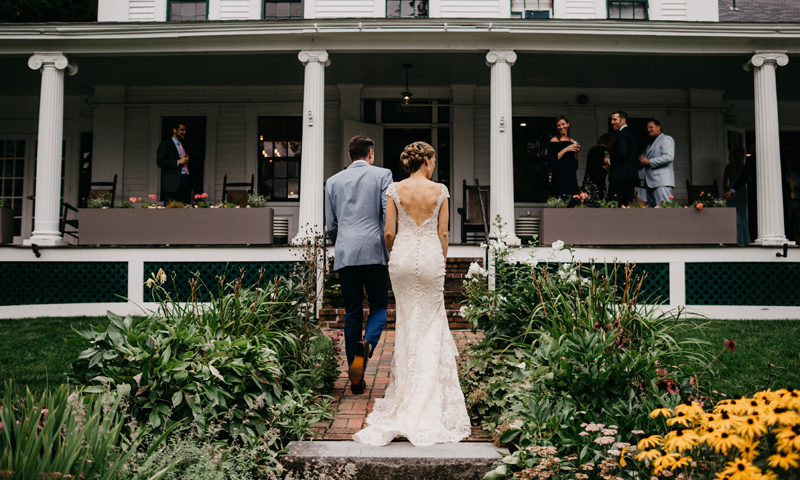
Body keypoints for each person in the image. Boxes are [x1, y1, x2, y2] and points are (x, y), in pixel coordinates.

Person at [353, 141, 471, 447]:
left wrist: (400, 252)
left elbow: (389, 233)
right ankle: (427, 396)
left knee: (407, 324)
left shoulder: (394, 189)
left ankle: (407, 396)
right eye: (433, 159)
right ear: (428, 160)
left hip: (402, 258)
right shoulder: (441, 190)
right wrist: (439, 258)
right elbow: (443, 233)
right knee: (431, 323)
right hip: (431, 258)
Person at [324, 135, 394, 395]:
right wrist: (391, 245)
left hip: (346, 253)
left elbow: (331, 225)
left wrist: (342, 241)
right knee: (378, 306)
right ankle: (367, 345)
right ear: (371, 154)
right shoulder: (383, 175)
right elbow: (388, 214)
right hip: (375, 251)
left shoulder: (332, 182)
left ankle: (356, 378)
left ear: (350, 155)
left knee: (352, 312)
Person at [639, 119, 676, 208]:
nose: (648, 130)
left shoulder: (666, 139)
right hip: (650, 182)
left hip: (661, 182)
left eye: (651, 127)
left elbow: (668, 157)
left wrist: (649, 161)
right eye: (647, 128)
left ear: (658, 127)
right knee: (653, 212)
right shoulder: (650, 144)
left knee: (664, 209)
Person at [607, 111, 639, 206]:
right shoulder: (631, 134)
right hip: (630, 177)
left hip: (620, 177)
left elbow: (622, 153)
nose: (612, 122)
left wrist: (610, 161)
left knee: (614, 205)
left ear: (623, 120)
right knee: (627, 206)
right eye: (612, 119)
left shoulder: (622, 133)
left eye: (615, 119)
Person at [156, 122, 192, 204]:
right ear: (174, 130)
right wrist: (178, 162)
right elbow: (160, 162)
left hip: (184, 181)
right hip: (171, 184)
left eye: (185, 130)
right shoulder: (165, 145)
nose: (184, 132)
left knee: (185, 208)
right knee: (170, 211)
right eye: (182, 130)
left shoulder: (185, 144)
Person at [723, 147, 751, 245]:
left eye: (740, 155)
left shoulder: (745, 167)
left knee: (741, 216)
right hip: (731, 193)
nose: (738, 157)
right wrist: (727, 192)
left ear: (743, 155)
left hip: (742, 192)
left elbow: (746, 180)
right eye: (736, 155)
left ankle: (743, 240)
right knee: (732, 216)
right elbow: (724, 182)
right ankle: (732, 239)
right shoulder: (729, 167)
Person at [548, 116, 580, 199]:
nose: (561, 127)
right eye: (559, 125)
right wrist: (566, 149)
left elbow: (574, 162)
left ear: (568, 124)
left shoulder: (572, 141)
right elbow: (552, 159)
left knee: (573, 198)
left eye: (563, 124)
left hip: (570, 174)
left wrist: (576, 153)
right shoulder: (554, 140)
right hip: (559, 173)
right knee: (561, 198)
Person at [584, 133, 613, 200]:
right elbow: (600, 162)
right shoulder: (603, 151)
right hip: (597, 180)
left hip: (589, 181)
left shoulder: (593, 150)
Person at [783, 156, 800, 242]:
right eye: (786, 162)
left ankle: (798, 240)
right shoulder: (782, 175)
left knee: (798, 221)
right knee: (787, 220)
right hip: (788, 201)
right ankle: (788, 238)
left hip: (797, 200)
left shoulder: (797, 175)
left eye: (789, 162)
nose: (787, 164)